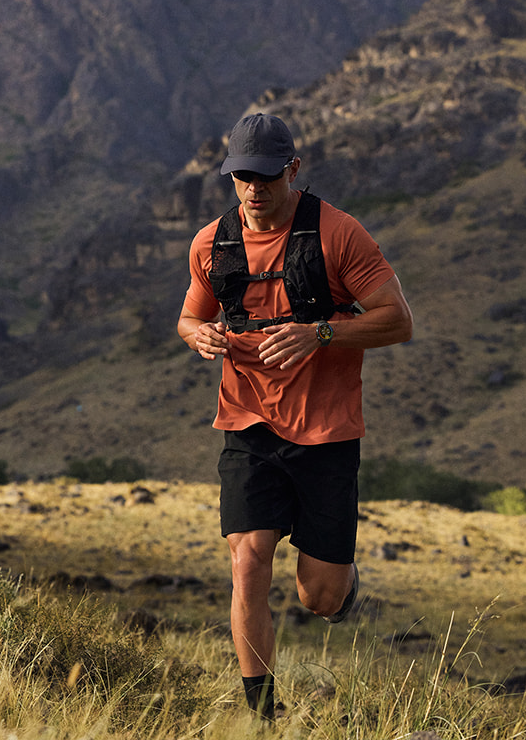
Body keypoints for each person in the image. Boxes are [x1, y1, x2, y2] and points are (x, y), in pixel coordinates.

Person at [177, 113, 413, 720]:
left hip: (326, 432)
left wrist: (322, 334)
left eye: (265, 177)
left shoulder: (338, 234)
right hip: (247, 421)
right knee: (248, 556)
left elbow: (398, 320)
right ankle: (262, 715)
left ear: (292, 170)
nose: (254, 190)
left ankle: (342, 585)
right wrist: (199, 336)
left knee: (319, 594)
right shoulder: (213, 242)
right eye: (241, 178)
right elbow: (189, 317)